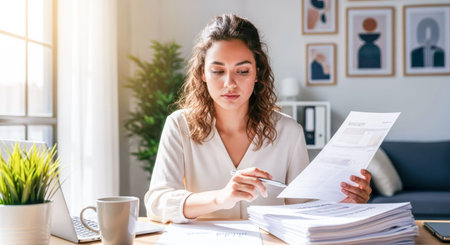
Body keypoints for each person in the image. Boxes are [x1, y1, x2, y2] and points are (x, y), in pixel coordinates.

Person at [144, 14, 372, 224]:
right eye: (218, 71)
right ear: (203, 73)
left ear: (257, 74)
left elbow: (303, 210)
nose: (229, 83)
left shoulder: (289, 132)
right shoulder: (179, 126)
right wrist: (221, 198)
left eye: (242, 71)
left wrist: (345, 205)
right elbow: (157, 203)